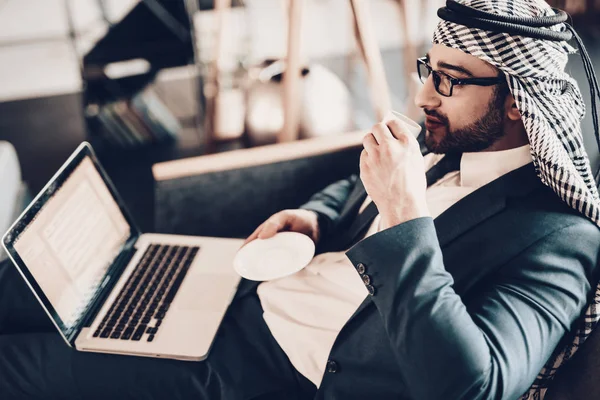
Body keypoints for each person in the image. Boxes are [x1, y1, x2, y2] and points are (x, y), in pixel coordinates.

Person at [2, 0, 600, 399]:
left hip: (255, 366)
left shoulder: (561, 240)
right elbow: (352, 185)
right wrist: (314, 217)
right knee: (25, 283)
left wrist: (405, 215)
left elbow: (471, 385)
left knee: (21, 365)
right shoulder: (449, 142)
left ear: (520, 101)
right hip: (237, 288)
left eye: (450, 79)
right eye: (427, 69)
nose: (422, 96)